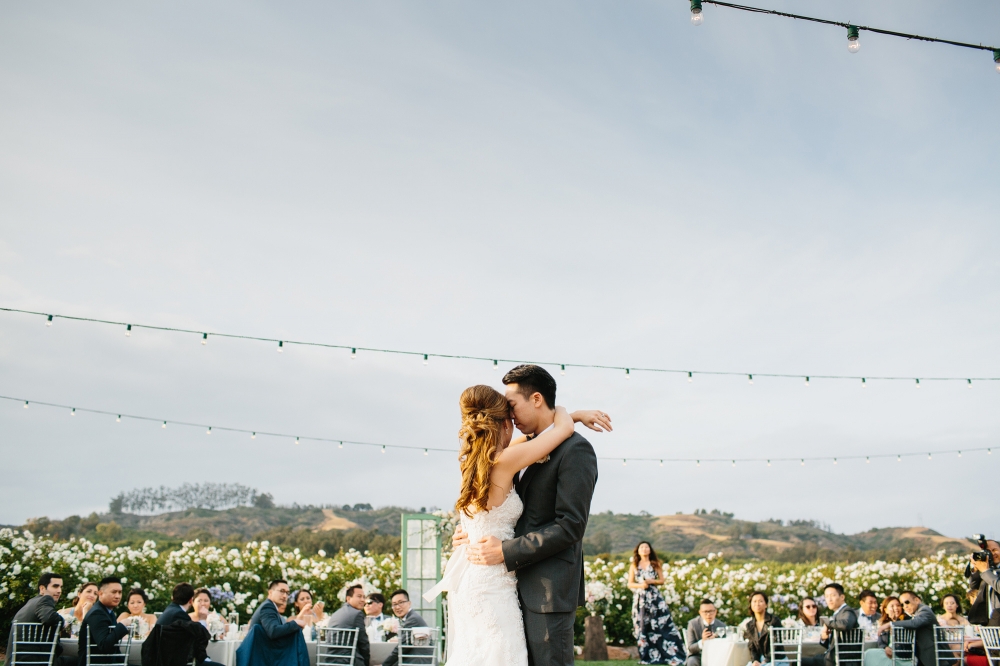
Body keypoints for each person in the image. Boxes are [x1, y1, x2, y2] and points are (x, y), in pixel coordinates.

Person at [444, 366, 612, 666]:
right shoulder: (512, 453)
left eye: (512, 406)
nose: (510, 416)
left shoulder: (574, 451)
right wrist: (567, 413)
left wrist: (504, 550)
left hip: (544, 591)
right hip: (502, 583)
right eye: (505, 411)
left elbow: (571, 526)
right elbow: (557, 430)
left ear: (536, 399)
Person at [628, 541, 686, 665]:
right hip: (641, 599)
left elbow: (662, 580)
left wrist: (651, 581)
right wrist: (640, 585)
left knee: (662, 624)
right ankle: (647, 656)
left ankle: (670, 653)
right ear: (638, 550)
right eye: (641, 547)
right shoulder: (634, 565)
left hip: (655, 599)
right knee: (642, 626)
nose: (644, 549)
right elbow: (629, 583)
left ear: (650, 550)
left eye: (646, 547)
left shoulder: (655, 564)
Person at [145, 583, 224, 666]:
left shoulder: (170, 610)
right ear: (191, 600)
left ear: (173, 597)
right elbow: (198, 638)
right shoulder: (179, 614)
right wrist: (203, 619)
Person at [7, 572, 75, 666]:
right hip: (39, 661)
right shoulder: (45, 600)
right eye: (55, 586)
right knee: (80, 660)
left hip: (16, 661)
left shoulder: (31, 603)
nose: (59, 590)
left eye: (61, 587)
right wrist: (63, 622)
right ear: (42, 589)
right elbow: (50, 618)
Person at [802, 583, 859, 666]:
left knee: (798, 662)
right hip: (832, 657)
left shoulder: (847, 611)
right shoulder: (838, 614)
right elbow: (832, 645)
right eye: (827, 596)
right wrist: (824, 638)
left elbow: (846, 625)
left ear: (842, 597)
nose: (829, 599)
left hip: (842, 660)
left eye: (832, 595)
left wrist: (827, 623)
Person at [78, 576, 130, 666]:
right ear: (100, 594)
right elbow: (104, 645)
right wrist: (122, 625)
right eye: (114, 592)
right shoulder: (97, 613)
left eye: (120, 592)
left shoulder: (108, 611)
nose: (117, 596)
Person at [879, 591, 936, 666]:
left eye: (906, 602)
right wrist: (885, 647)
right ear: (885, 610)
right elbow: (880, 640)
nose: (905, 606)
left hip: (910, 656)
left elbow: (914, 624)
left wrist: (892, 624)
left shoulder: (920, 613)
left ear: (917, 600)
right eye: (902, 604)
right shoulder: (884, 623)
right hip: (891, 655)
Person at [324, 584, 369, 666]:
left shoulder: (335, 614)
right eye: (359, 596)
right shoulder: (357, 614)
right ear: (348, 598)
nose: (363, 600)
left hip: (330, 660)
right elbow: (363, 643)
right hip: (348, 661)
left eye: (364, 597)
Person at [381, 590, 427, 666]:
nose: (398, 607)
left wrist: (384, 665)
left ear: (409, 603)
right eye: (394, 604)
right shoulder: (410, 617)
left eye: (401, 602)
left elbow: (403, 647)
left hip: (419, 661)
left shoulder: (413, 619)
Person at [862, 597, 908, 666]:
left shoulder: (905, 621)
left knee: (869, 654)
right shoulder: (883, 624)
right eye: (892, 606)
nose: (896, 608)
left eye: (898, 605)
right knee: (868, 654)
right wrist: (885, 648)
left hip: (901, 654)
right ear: (886, 610)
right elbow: (880, 642)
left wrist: (895, 621)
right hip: (887, 652)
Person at [739, 592, 781, 666]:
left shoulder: (774, 621)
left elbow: (776, 645)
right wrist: (755, 660)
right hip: (760, 660)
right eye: (754, 601)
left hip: (775, 659)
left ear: (766, 604)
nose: (757, 604)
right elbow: (752, 648)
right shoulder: (749, 625)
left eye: (760, 601)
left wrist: (765, 661)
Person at [685, 599, 725, 666]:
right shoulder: (693, 624)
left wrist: (716, 641)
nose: (708, 614)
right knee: (692, 661)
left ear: (715, 612)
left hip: (716, 656)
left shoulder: (721, 626)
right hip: (698, 656)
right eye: (705, 612)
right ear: (700, 612)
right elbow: (691, 648)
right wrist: (703, 642)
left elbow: (725, 646)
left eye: (711, 611)